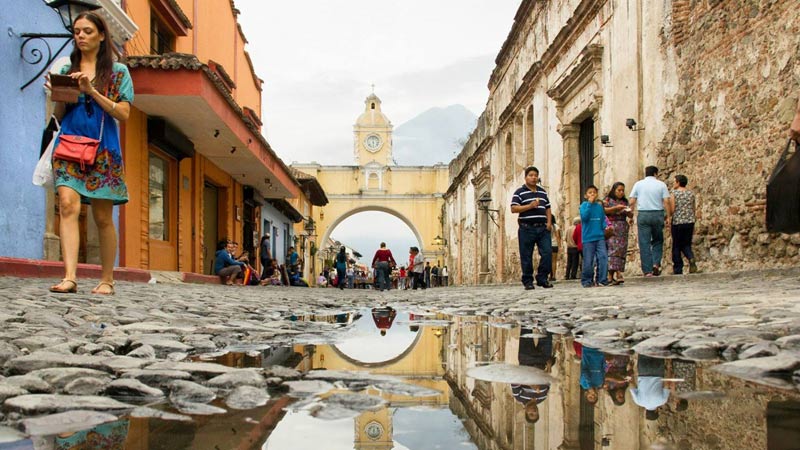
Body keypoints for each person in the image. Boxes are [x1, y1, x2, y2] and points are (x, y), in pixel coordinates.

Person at [46, 12, 133, 295]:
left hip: (103, 151)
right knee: (67, 205)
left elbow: (123, 113)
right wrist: (57, 93)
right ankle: (69, 276)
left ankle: (107, 279)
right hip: (68, 145)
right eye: (77, 31)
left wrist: (91, 90)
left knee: (103, 217)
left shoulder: (118, 73)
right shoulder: (66, 67)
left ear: (102, 36)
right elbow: (60, 114)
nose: (81, 36)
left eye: (87, 31)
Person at [510, 166, 553, 290]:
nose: (533, 178)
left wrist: (549, 223)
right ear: (525, 177)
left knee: (547, 253)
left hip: (542, 228)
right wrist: (530, 206)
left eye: (535, 175)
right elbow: (513, 208)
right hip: (526, 228)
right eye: (531, 175)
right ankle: (528, 280)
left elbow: (548, 208)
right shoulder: (519, 192)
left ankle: (542, 278)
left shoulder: (542, 192)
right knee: (526, 255)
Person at [629, 166, 671, 277]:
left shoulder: (638, 184)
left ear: (646, 173)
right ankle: (656, 264)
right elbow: (666, 201)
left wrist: (630, 216)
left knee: (644, 242)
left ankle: (647, 270)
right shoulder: (661, 184)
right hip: (657, 214)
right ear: (655, 173)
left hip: (643, 214)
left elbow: (632, 201)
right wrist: (668, 217)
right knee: (658, 240)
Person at [603, 182, 633, 284]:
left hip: (622, 228)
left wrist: (629, 212)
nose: (621, 192)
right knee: (612, 250)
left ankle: (617, 272)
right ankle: (612, 274)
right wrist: (615, 208)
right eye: (619, 190)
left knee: (621, 250)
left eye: (622, 190)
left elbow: (630, 215)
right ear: (614, 190)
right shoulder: (607, 200)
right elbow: (603, 211)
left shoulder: (624, 201)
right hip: (611, 227)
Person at [580, 185, 609, 287]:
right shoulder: (583, 206)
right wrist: (589, 204)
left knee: (603, 257)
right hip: (588, 237)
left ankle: (602, 279)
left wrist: (605, 227)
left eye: (594, 192)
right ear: (586, 195)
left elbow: (602, 219)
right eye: (590, 192)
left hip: (600, 236)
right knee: (588, 260)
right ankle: (587, 280)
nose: (592, 194)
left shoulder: (599, 207)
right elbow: (584, 217)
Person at [669, 174, 699, 274]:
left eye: (674, 181)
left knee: (676, 245)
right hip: (689, 221)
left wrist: (669, 215)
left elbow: (673, 208)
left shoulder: (674, 193)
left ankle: (678, 268)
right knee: (686, 244)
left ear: (678, 183)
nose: (673, 183)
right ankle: (691, 257)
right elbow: (693, 208)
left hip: (678, 222)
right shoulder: (691, 193)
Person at [631, 355, 670, 420]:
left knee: (659, 350)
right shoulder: (638, 401)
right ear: (646, 412)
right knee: (643, 350)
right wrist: (630, 369)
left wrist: (669, 369)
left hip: (658, 371)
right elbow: (632, 385)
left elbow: (667, 385)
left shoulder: (662, 401)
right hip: (643, 371)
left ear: (656, 411)